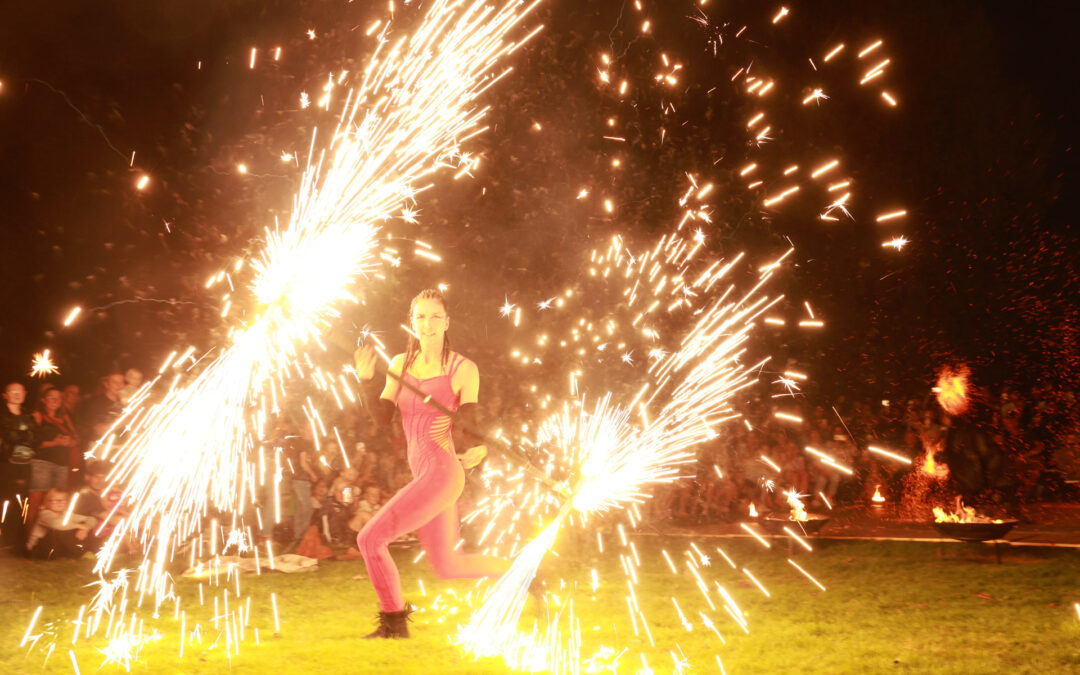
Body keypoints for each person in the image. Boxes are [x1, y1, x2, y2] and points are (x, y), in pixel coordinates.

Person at [352, 288, 508, 638]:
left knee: (369, 539)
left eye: (435, 316)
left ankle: (393, 625)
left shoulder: (463, 368)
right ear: (412, 322)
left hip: (443, 472)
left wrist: (479, 448)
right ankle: (526, 574)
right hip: (425, 474)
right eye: (420, 316)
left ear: (447, 321)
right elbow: (381, 417)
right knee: (448, 565)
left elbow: (470, 421)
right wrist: (366, 381)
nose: (427, 323)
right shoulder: (398, 365)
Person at [27, 388, 78, 523]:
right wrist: (54, 442)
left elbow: (77, 438)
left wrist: (70, 442)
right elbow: (33, 442)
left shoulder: (65, 418)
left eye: (59, 398)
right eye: (51, 397)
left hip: (62, 464)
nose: (55, 401)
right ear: (43, 400)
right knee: (37, 501)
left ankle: (50, 537)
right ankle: (29, 538)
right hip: (42, 463)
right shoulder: (38, 416)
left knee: (57, 503)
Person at [1, 382, 37, 547]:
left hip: (24, 466)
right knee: (4, 500)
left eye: (20, 391)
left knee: (21, 502)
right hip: (5, 465)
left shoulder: (28, 416)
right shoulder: (2, 415)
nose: (17, 394)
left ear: (25, 394)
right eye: (12, 391)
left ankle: (15, 541)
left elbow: (36, 438)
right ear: (5, 395)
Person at [26, 488, 98, 559]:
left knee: (80, 524)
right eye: (56, 500)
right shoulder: (44, 514)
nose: (60, 502)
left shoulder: (65, 514)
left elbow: (91, 519)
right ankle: (81, 553)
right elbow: (57, 524)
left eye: (63, 500)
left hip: (55, 547)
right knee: (60, 530)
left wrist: (86, 528)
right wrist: (80, 526)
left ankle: (90, 550)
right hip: (37, 549)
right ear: (47, 502)